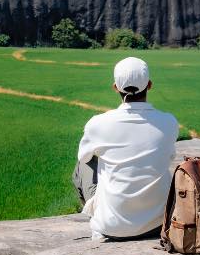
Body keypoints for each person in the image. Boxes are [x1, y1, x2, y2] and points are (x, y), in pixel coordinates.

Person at [72, 56, 179, 242]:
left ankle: (95, 212)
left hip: (111, 228)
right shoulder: (169, 122)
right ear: (150, 85)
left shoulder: (98, 123)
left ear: (115, 87)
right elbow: (169, 157)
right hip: (158, 224)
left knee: (85, 162)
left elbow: (84, 157)